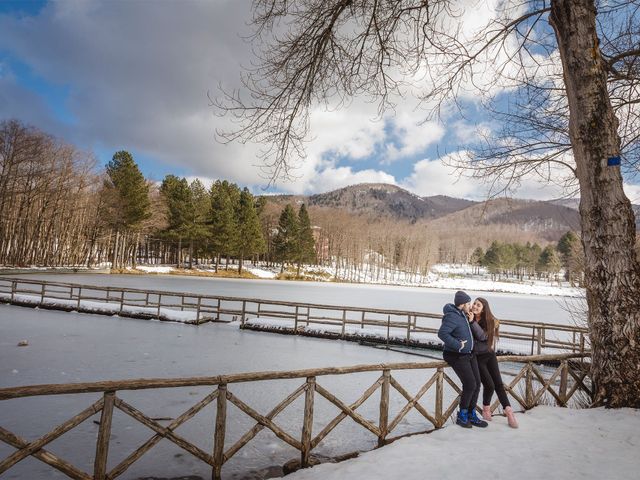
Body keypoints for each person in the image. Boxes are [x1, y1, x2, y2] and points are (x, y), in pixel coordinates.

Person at [438, 290, 488, 428]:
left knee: (477, 384)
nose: (470, 305)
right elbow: (442, 333)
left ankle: (472, 414)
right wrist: (458, 345)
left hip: (468, 354)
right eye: (468, 303)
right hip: (456, 355)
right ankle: (462, 415)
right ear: (462, 304)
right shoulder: (452, 316)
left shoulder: (463, 315)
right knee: (470, 384)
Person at [469, 297, 519, 428]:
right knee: (489, 385)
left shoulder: (490, 321)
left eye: (478, 305)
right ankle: (486, 410)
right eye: (474, 304)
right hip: (477, 358)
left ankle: (509, 412)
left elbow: (483, 337)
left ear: (484, 308)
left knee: (499, 384)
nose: (474, 306)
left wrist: (472, 322)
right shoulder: (468, 318)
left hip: (489, 355)